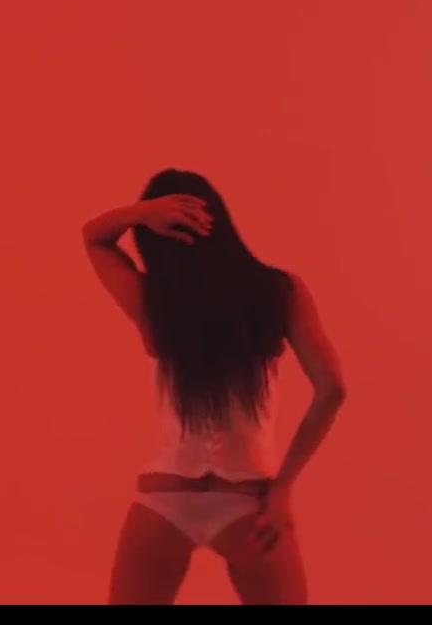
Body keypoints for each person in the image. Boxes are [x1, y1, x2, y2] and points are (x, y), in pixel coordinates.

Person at [81, 168, 347, 605]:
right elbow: (332, 388)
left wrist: (141, 213)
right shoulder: (280, 293)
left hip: (165, 502)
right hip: (249, 505)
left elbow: (94, 237)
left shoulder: (155, 304)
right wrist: (283, 488)